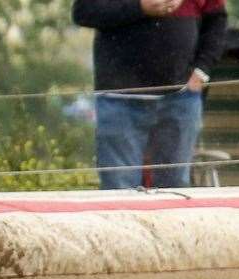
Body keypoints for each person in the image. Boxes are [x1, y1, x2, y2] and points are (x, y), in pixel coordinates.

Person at [73, 0, 228, 190]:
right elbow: (84, 12)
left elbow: (217, 19)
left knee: (175, 191)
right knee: (119, 191)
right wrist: (140, 7)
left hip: (180, 98)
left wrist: (202, 70)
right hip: (120, 100)